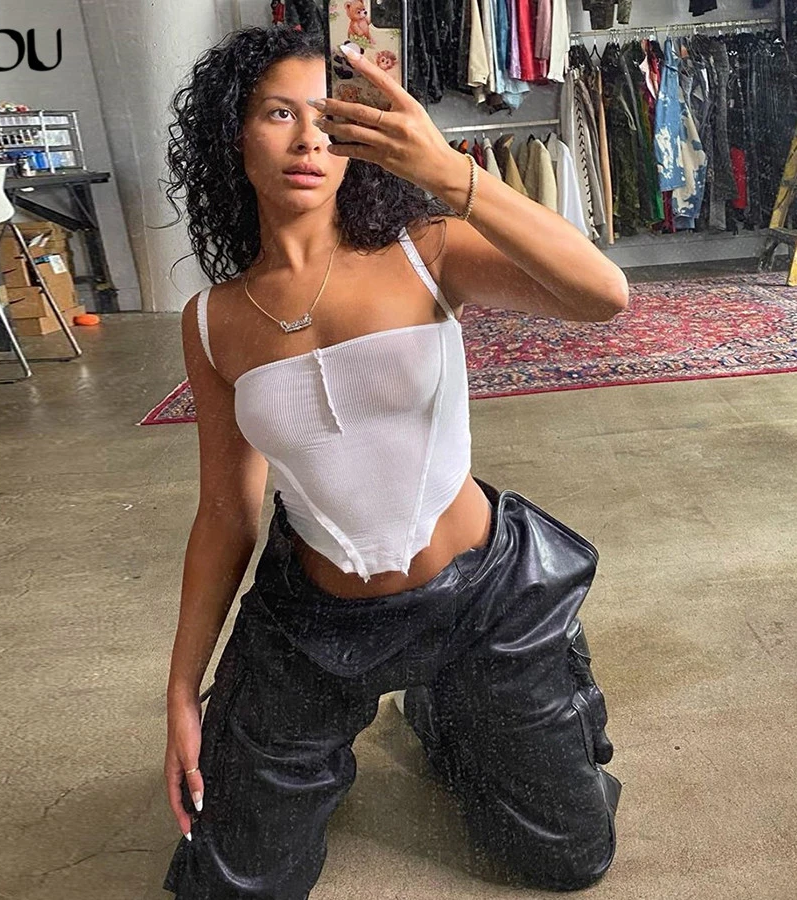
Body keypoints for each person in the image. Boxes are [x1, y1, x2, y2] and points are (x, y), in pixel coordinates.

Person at [161, 24, 628, 900]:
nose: (309, 140)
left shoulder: (428, 247)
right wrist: (182, 691)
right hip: (314, 625)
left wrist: (452, 175)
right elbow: (225, 511)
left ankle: (450, 706)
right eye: (278, 114)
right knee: (232, 885)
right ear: (234, 135)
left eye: (328, 117)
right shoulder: (212, 320)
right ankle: (413, 710)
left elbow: (604, 296)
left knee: (569, 859)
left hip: (486, 603)